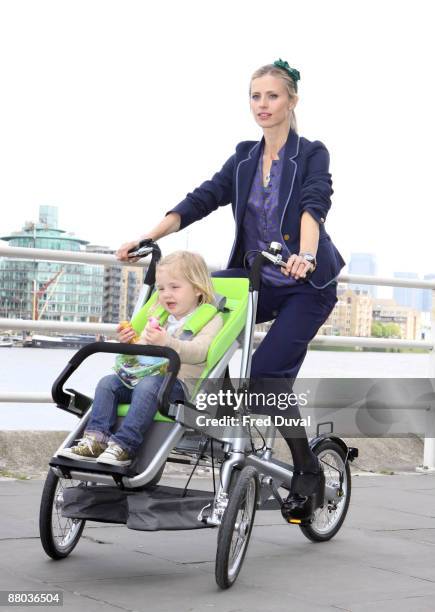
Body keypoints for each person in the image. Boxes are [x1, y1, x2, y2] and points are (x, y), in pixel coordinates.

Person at [116, 59, 345, 520]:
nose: (263, 105)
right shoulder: (243, 156)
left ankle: (306, 471)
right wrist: (149, 238)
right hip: (254, 279)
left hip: (305, 284)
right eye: (255, 96)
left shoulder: (311, 153)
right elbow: (202, 198)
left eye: (272, 96)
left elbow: (313, 205)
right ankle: (186, 414)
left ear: (291, 101)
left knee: (266, 377)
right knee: (200, 315)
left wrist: (306, 255)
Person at [59, 251, 223, 467]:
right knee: (108, 383)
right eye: (161, 288)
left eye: (174, 287)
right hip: (146, 382)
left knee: (148, 385)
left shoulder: (210, 319)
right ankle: (96, 439)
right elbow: (143, 354)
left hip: (180, 388)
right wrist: (130, 343)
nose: (166, 294)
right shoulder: (160, 319)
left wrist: (168, 343)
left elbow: (200, 352)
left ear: (197, 289)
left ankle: (125, 446)